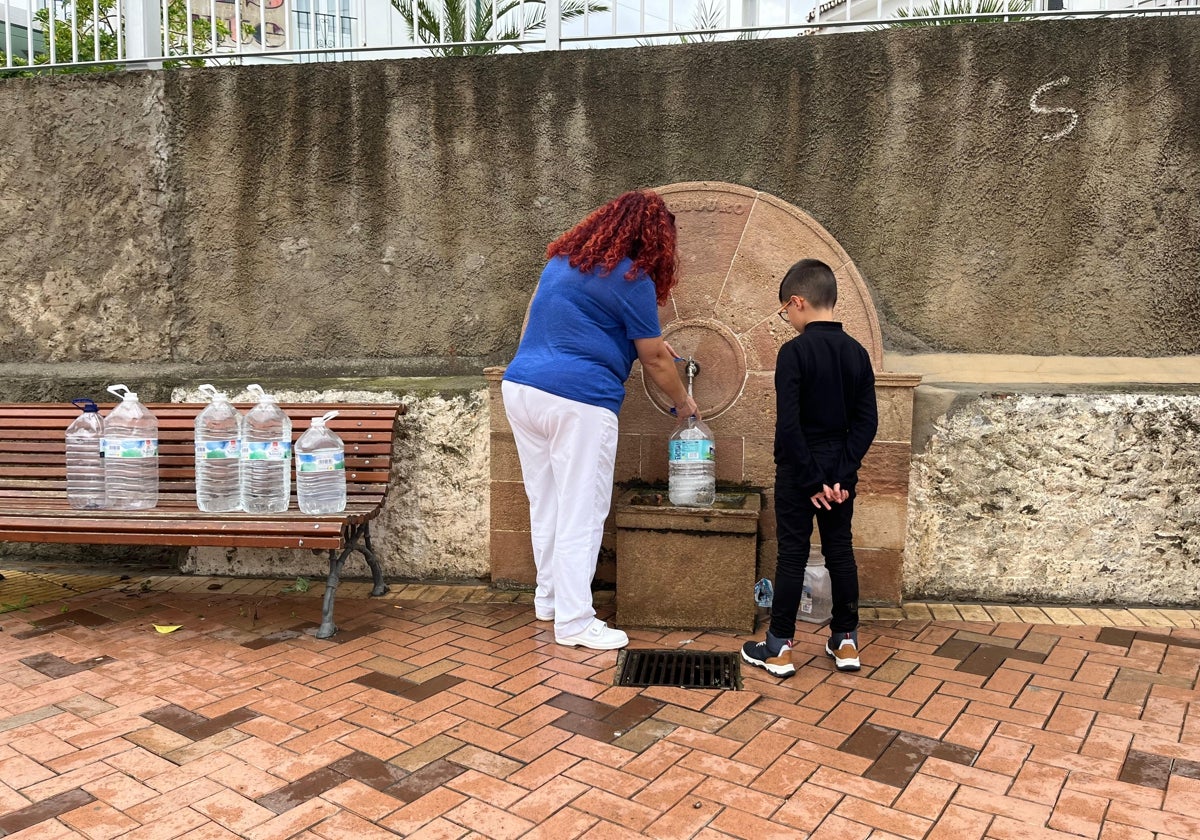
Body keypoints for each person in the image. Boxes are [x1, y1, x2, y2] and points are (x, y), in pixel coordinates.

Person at [502, 189, 699, 651]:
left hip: (524, 388)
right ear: (655, 240)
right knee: (582, 510)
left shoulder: (560, 262)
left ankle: (549, 599)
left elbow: (545, 319)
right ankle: (574, 621)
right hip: (579, 400)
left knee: (546, 501)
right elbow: (653, 359)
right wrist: (684, 405)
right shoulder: (633, 279)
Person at [742, 258, 878, 676]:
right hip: (840, 475)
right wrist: (839, 476)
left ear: (798, 302)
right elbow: (866, 422)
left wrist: (812, 479)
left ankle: (779, 647)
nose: (787, 318)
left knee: (792, 557)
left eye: (785, 310)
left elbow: (790, 424)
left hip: (800, 473)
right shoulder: (857, 353)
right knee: (841, 553)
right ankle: (846, 641)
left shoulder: (794, 352)